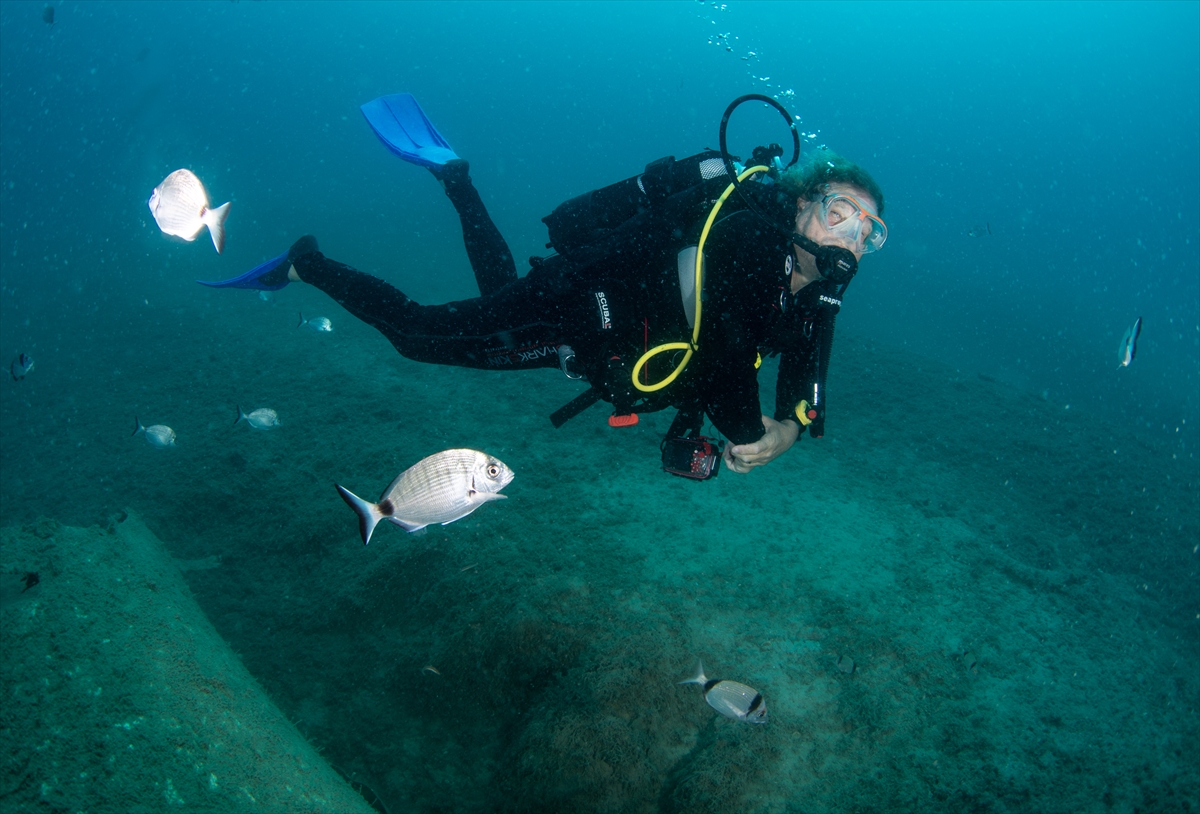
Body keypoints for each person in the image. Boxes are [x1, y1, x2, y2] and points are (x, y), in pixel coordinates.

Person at [207, 98, 886, 476]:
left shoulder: (815, 284)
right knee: (418, 336)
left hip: (599, 340)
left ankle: (455, 177)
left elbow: (806, 361)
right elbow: (727, 354)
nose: (850, 239)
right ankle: (305, 263)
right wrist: (748, 432)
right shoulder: (752, 238)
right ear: (799, 205)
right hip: (577, 309)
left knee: (495, 288)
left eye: (869, 232)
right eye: (838, 213)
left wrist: (790, 431)